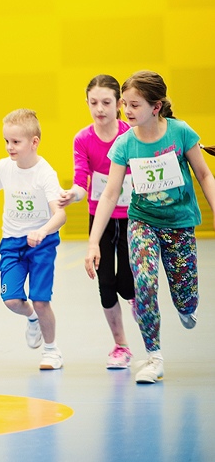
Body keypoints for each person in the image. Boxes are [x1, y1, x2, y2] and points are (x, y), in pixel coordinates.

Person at [85, 71, 215, 385]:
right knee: (144, 283)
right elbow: (110, 193)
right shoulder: (125, 143)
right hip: (142, 222)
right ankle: (153, 356)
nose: (126, 111)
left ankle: (186, 304)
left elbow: (204, 176)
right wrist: (92, 243)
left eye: (134, 105)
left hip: (179, 224)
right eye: (124, 105)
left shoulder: (180, 132)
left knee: (185, 297)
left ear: (155, 107)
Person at [0, 109, 66, 371]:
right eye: (6, 141)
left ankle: (52, 351)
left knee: (41, 300)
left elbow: (60, 215)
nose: (10, 147)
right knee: (11, 300)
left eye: (16, 142)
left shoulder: (45, 173)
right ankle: (31, 318)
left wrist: (42, 231)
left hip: (42, 243)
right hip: (11, 243)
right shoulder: (4, 167)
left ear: (34, 142)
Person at [58, 75, 136, 370]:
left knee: (128, 286)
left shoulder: (132, 133)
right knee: (106, 285)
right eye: (93, 103)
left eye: (106, 103)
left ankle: (135, 300)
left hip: (133, 218)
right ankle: (121, 346)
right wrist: (72, 195)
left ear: (118, 104)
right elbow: (81, 182)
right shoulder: (83, 139)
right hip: (101, 219)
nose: (99, 109)